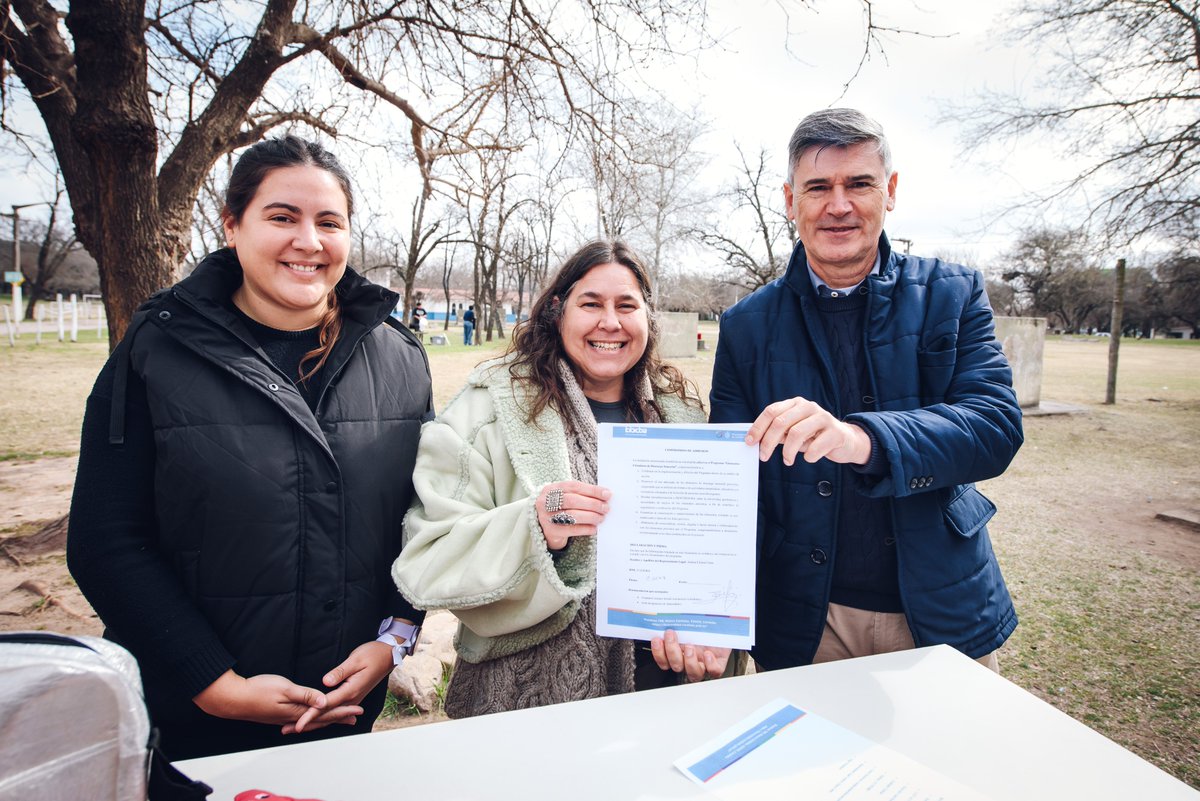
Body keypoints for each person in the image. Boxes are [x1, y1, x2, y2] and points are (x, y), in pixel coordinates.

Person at [66, 135, 434, 760]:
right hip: (192, 719)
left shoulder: (400, 358)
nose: (308, 241)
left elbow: (425, 518)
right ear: (232, 225)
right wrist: (213, 683)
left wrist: (394, 640)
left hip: (345, 712)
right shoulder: (155, 350)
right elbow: (105, 540)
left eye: (329, 222)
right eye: (282, 217)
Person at [709, 109, 1023, 672]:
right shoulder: (745, 325)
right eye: (818, 187)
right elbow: (727, 487)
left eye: (859, 184)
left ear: (891, 191)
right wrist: (704, 610)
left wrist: (860, 439)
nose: (839, 205)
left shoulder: (952, 294)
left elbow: (995, 427)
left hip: (939, 609)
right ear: (789, 199)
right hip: (807, 620)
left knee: (950, 759)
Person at [393, 240, 737, 718]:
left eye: (626, 305)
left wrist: (712, 636)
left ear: (648, 317)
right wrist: (533, 526)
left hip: (661, 693)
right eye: (591, 303)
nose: (610, 323)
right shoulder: (487, 409)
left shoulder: (684, 418)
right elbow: (427, 556)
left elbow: (717, 558)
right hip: (525, 701)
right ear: (558, 310)